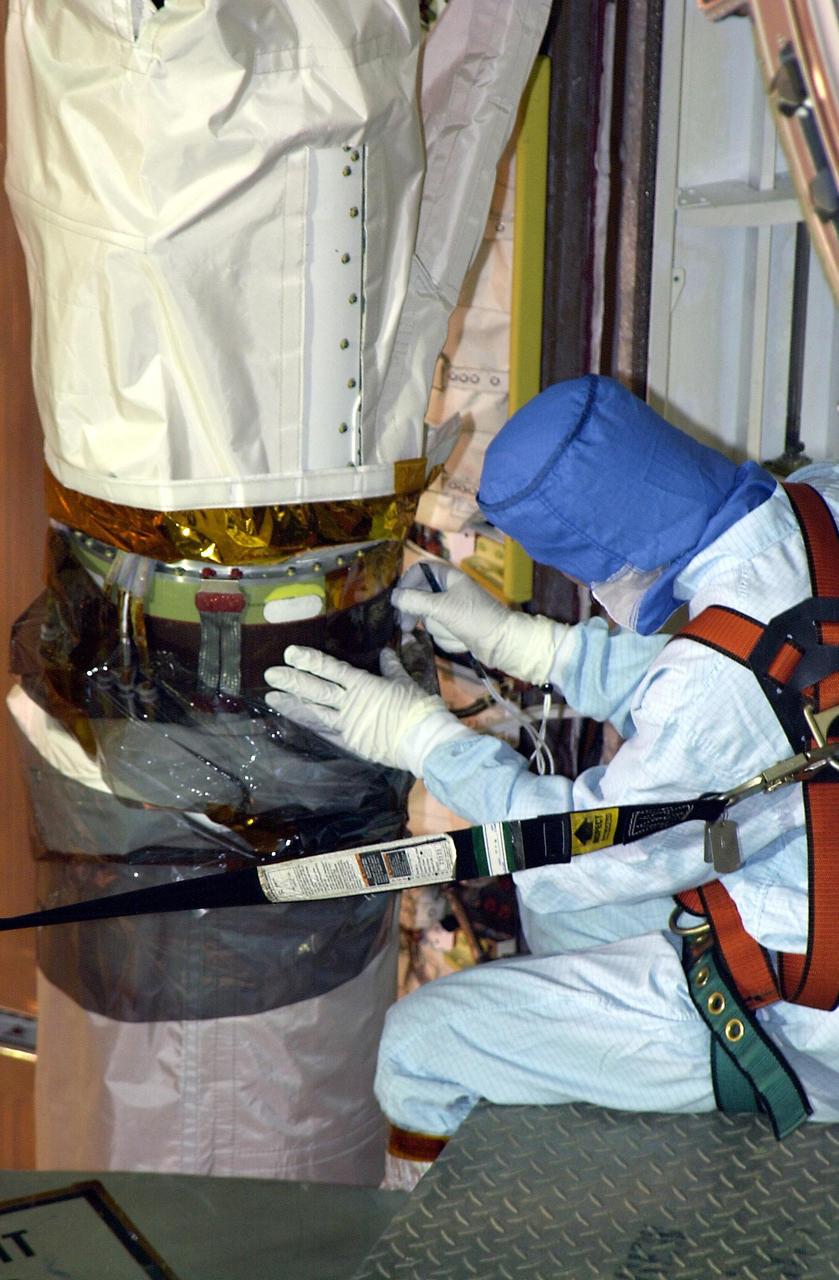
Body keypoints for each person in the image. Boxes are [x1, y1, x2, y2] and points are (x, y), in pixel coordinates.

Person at [264, 374, 839, 1175]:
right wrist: (536, 649)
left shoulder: (708, 688)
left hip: (807, 994)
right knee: (554, 911)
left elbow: (580, 843)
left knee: (420, 1045)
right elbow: (767, 680)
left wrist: (423, 741)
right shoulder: (819, 506)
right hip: (808, 860)